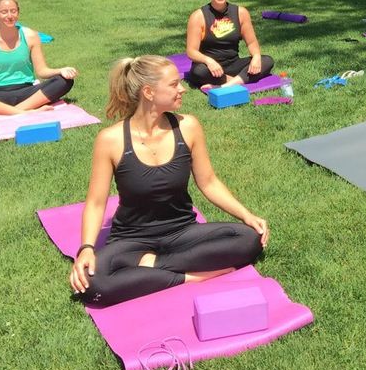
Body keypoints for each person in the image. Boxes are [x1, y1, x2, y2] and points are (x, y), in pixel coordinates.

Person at [70, 55, 268, 307]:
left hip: (182, 231)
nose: (182, 89)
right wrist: (86, 247)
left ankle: (154, 266)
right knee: (91, 286)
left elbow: (208, 182)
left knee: (250, 239)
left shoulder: (189, 127)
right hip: (131, 239)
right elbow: (97, 203)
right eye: (174, 84)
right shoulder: (111, 139)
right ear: (149, 92)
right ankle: (187, 277)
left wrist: (246, 215)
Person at [0, 0, 77, 115]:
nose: (9, 16)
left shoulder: (31, 36)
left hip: (28, 93)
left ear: (18, 13)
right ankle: (23, 112)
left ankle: (15, 111)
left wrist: (61, 70)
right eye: (4, 12)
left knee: (65, 81)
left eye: (13, 11)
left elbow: (42, 71)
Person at [186, 0, 274, 89]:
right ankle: (239, 80)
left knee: (267, 60)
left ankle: (225, 85)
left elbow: (252, 42)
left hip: (233, 64)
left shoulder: (241, 13)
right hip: (209, 67)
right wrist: (209, 61)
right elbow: (191, 51)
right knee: (199, 72)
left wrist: (256, 57)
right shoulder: (198, 16)